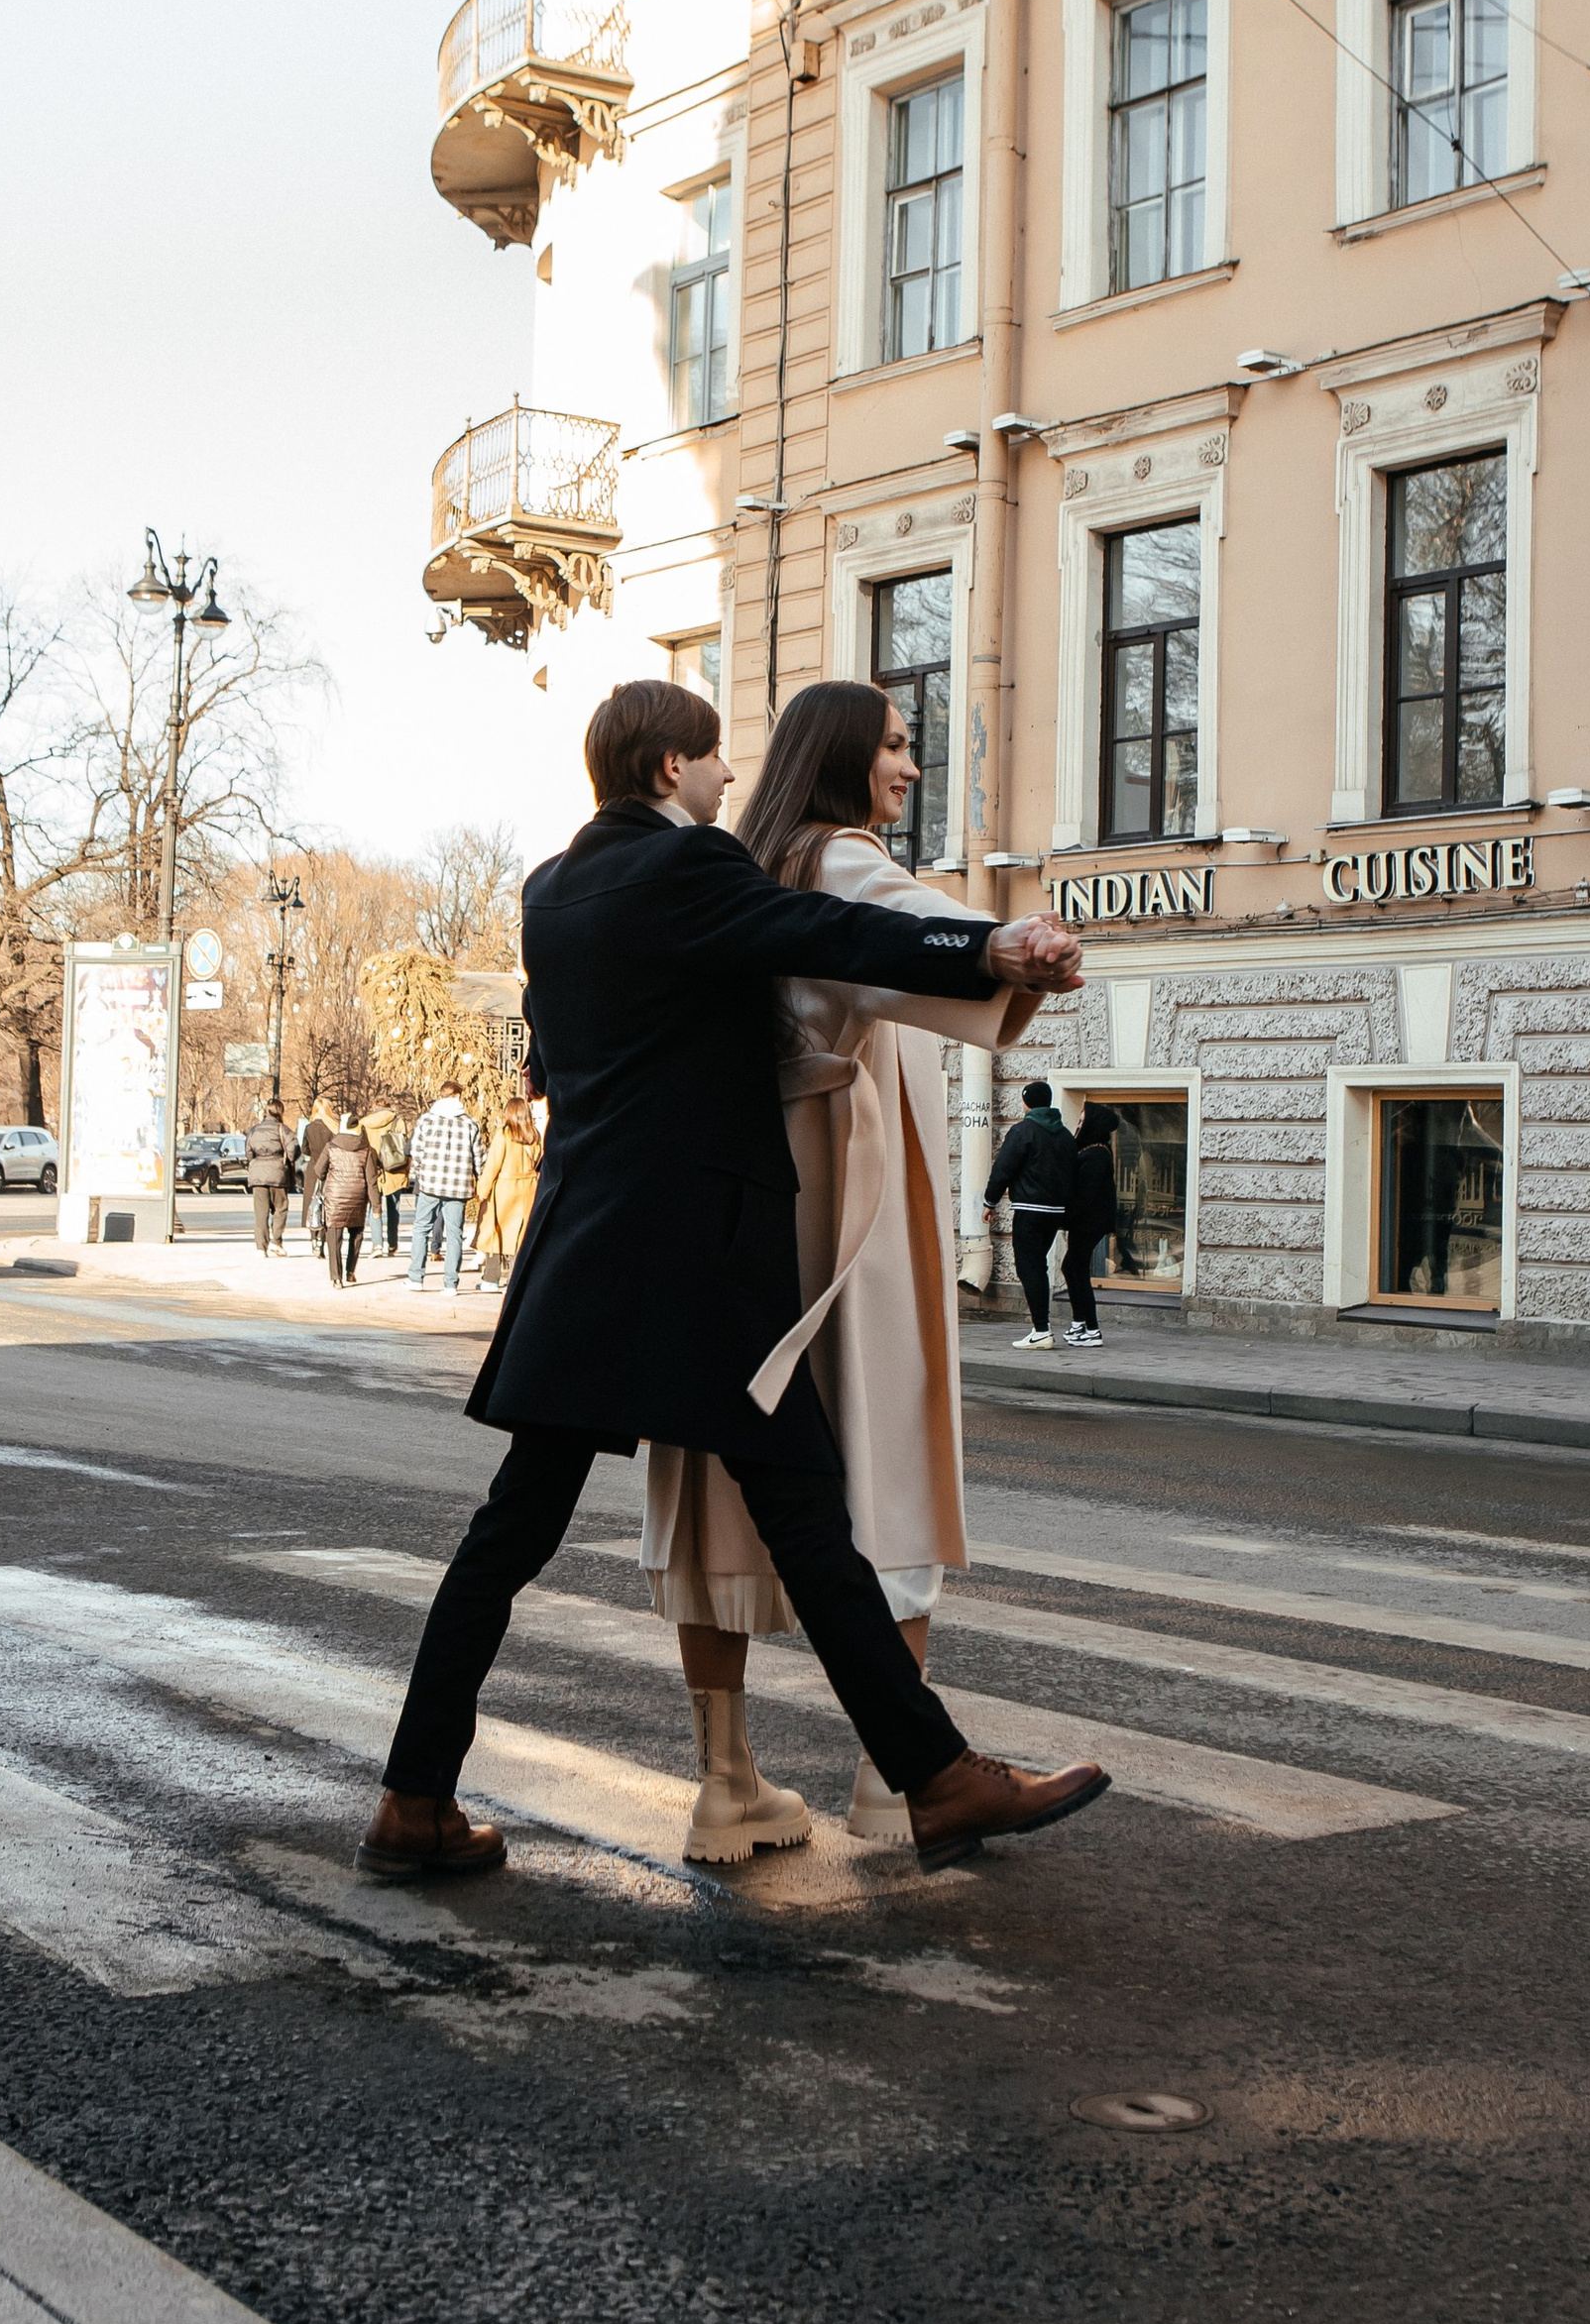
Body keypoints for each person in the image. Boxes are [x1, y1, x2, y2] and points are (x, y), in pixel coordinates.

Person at [351, 678, 1107, 1885]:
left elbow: (555, 1057)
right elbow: (832, 934)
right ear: (669, 772)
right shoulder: (692, 866)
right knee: (808, 1520)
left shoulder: (549, 889)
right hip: (699, 1261)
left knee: (505, 1539)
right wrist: (988, 945)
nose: (724, 785)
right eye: (711, 764)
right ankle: (937, 1782)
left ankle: (412, 1799)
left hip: (580, 1258)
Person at [644, 679, 1047, 1857]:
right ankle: (889, 1774)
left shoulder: (741, 867)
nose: (910, 768)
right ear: (840, 761)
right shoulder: (838, 858)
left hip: (731, 1212)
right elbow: (913, 924)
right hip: (849, 1224)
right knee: (890, 1471)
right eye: (895, 746)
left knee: (714, 1492)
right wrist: (1011, 947)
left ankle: (726, 1781)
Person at [985, 1076, 1078, 1350]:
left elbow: (1003, 1168)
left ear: (1027, 1102)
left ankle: (1041, 1329)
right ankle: (1041, 1327)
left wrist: (990, 1201)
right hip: (1054, 1212)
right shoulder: (1064, 1135)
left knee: (1029, 1266)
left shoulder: (1023, 1131)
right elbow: (1073, 1173)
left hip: (1029, 1209)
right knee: (1038, 1265)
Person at [406, 1077, 482, 1290]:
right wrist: (478, 1179)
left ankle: (416, 1278)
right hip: (458, 1186)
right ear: (458, 1096)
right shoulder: (470, 1123)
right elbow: (479, 1156)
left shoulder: (426, 1120)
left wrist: (420, 1173)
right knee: (455, 1233)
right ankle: (450, 1284)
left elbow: (416, 1151)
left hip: (430, 1183)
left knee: (421, 1228)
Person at [1061, 1099, 1121, 1348]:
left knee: (1077, 1270)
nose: (1079, 1122)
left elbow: (1085, 1194)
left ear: (1093, 1123)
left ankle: (1092, 1329)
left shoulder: (1096, 1154)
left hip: (1088, 1223)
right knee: (1071, 1268)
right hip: (1085, 1222)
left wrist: (1063, 1218)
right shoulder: (1092, 1150)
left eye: (1082, 1118)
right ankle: (1079, 1324)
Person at [470, 1095, 540, 1295]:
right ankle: (514, 1280)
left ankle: (491, 1278)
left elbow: (493, 1165)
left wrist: (482, 1191)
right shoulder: (534, 1135)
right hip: (528, 1188)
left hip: (505, 1188)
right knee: (520, 1235)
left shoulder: (504, 1134)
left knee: (494, 1232)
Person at [312, 1114, 379, 1288]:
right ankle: (350, 1271)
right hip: (358, 1197)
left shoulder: (331, 1147)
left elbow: (319, 1171)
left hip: (335, 1198)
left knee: (334, 1237)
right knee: (356, 1234)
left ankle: (336, 1277)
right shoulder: (367, 1150)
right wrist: (377, 1207)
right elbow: (372, 1181)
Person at [362, 1099, 408, 1264]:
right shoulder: (398, 1121)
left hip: (373, 1169)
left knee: (374, 1207)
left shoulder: (365, 1123)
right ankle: (393, 1244)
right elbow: (405, 1147)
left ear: (374, 1107)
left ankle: (377, 1244)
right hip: (394, 1170)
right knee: (393, 1208)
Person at [245, 1103, 292, 1256]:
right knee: (280, 1208)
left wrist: (256, 1162)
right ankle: (276, 1241)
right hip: (278, 1173)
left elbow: (248, 1151)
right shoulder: (283, 1130)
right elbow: (293, 1150)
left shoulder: (254, 1130)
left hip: (258, 1174)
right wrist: (286, 1161)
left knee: (260, 1212)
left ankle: (261, 1246)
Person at [297, 1098, 336, 1241]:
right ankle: (324, 1236)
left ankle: (314, 1237)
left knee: (312, 1202)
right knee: (328, 1201)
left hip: (313, 1167)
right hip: (330, 1167)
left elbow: (305, 1149)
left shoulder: (309, 1128)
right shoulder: (333, 1127)